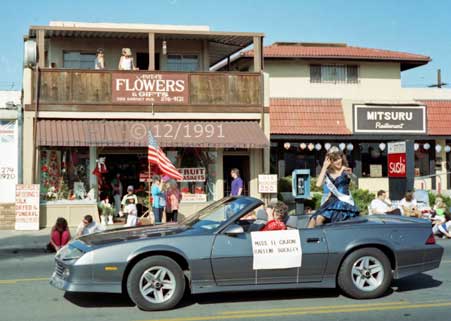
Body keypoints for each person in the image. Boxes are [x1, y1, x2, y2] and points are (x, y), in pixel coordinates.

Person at [308, 149, 359, 228]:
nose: (338, 161)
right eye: (335, 160)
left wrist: (349, 173)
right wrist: (324, 167)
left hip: (342, 202)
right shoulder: (328, 172)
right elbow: (318, 184)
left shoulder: (346, 170)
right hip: (331, 201)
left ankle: (322, 237)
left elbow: (354, 179)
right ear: (330, 162)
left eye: (339, 158)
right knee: (313, 220)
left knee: (319, 218)